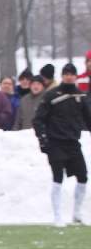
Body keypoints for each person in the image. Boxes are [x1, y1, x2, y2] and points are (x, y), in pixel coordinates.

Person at [33, 63, 91, 227]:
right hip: (55, 142)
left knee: (83, 177)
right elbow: (38, 119)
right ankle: (57, 216)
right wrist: (43, 139)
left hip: (73, 142)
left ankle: (77, 213)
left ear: (76, 76)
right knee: (58, 178)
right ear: (62, 76)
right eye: (66, 74)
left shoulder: (80, 95)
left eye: (72, 74)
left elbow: (88, 119)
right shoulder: (51, 95)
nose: (69, 76)